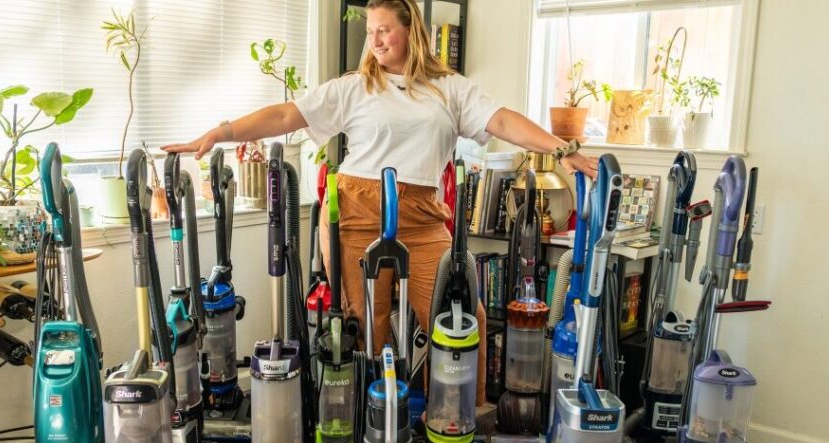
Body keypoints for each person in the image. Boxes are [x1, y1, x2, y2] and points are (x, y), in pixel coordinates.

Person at [164, 0, 598, 402]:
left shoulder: (449, 88)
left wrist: (562, 148)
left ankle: (456, 416)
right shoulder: (354, 87)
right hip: (357, 211)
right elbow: (284, 115)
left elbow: (501, 120)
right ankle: (370, 417)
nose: (374, 40)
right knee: (367, 330)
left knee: (465, 317)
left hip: (423, 217)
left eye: (384, 30)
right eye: (370, 30)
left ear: (411, 31)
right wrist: (221, 133)